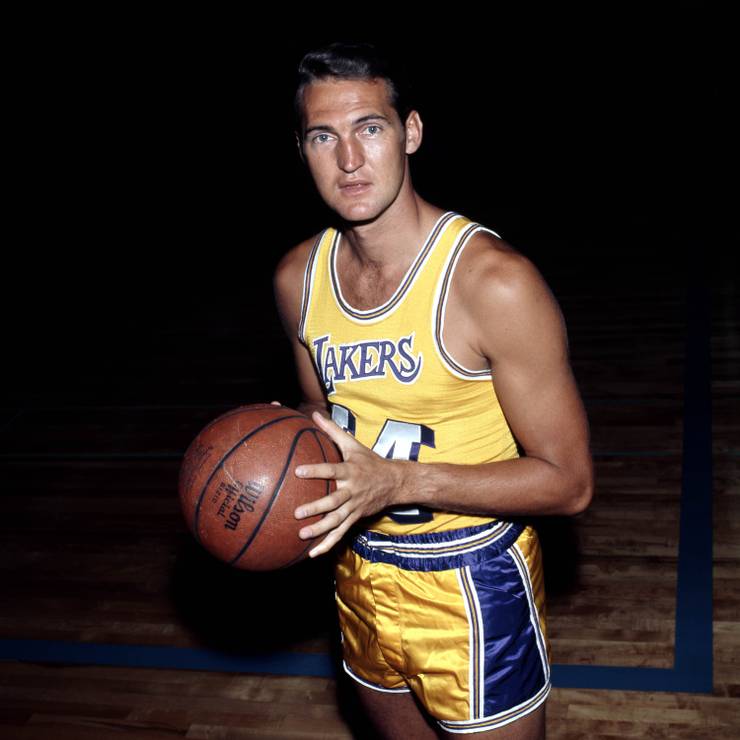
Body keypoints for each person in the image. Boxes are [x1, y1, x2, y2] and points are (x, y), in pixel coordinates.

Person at [273, 40, 594, 740]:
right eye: (323, 137)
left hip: (475, 579)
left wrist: (399, 482)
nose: (349, 159)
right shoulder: (298, 279)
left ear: (410, 132)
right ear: (301, 150)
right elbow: (319, 413)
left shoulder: (493, 283)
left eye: (370, 128)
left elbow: (569, 483)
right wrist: (276, 444)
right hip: (359, 569)